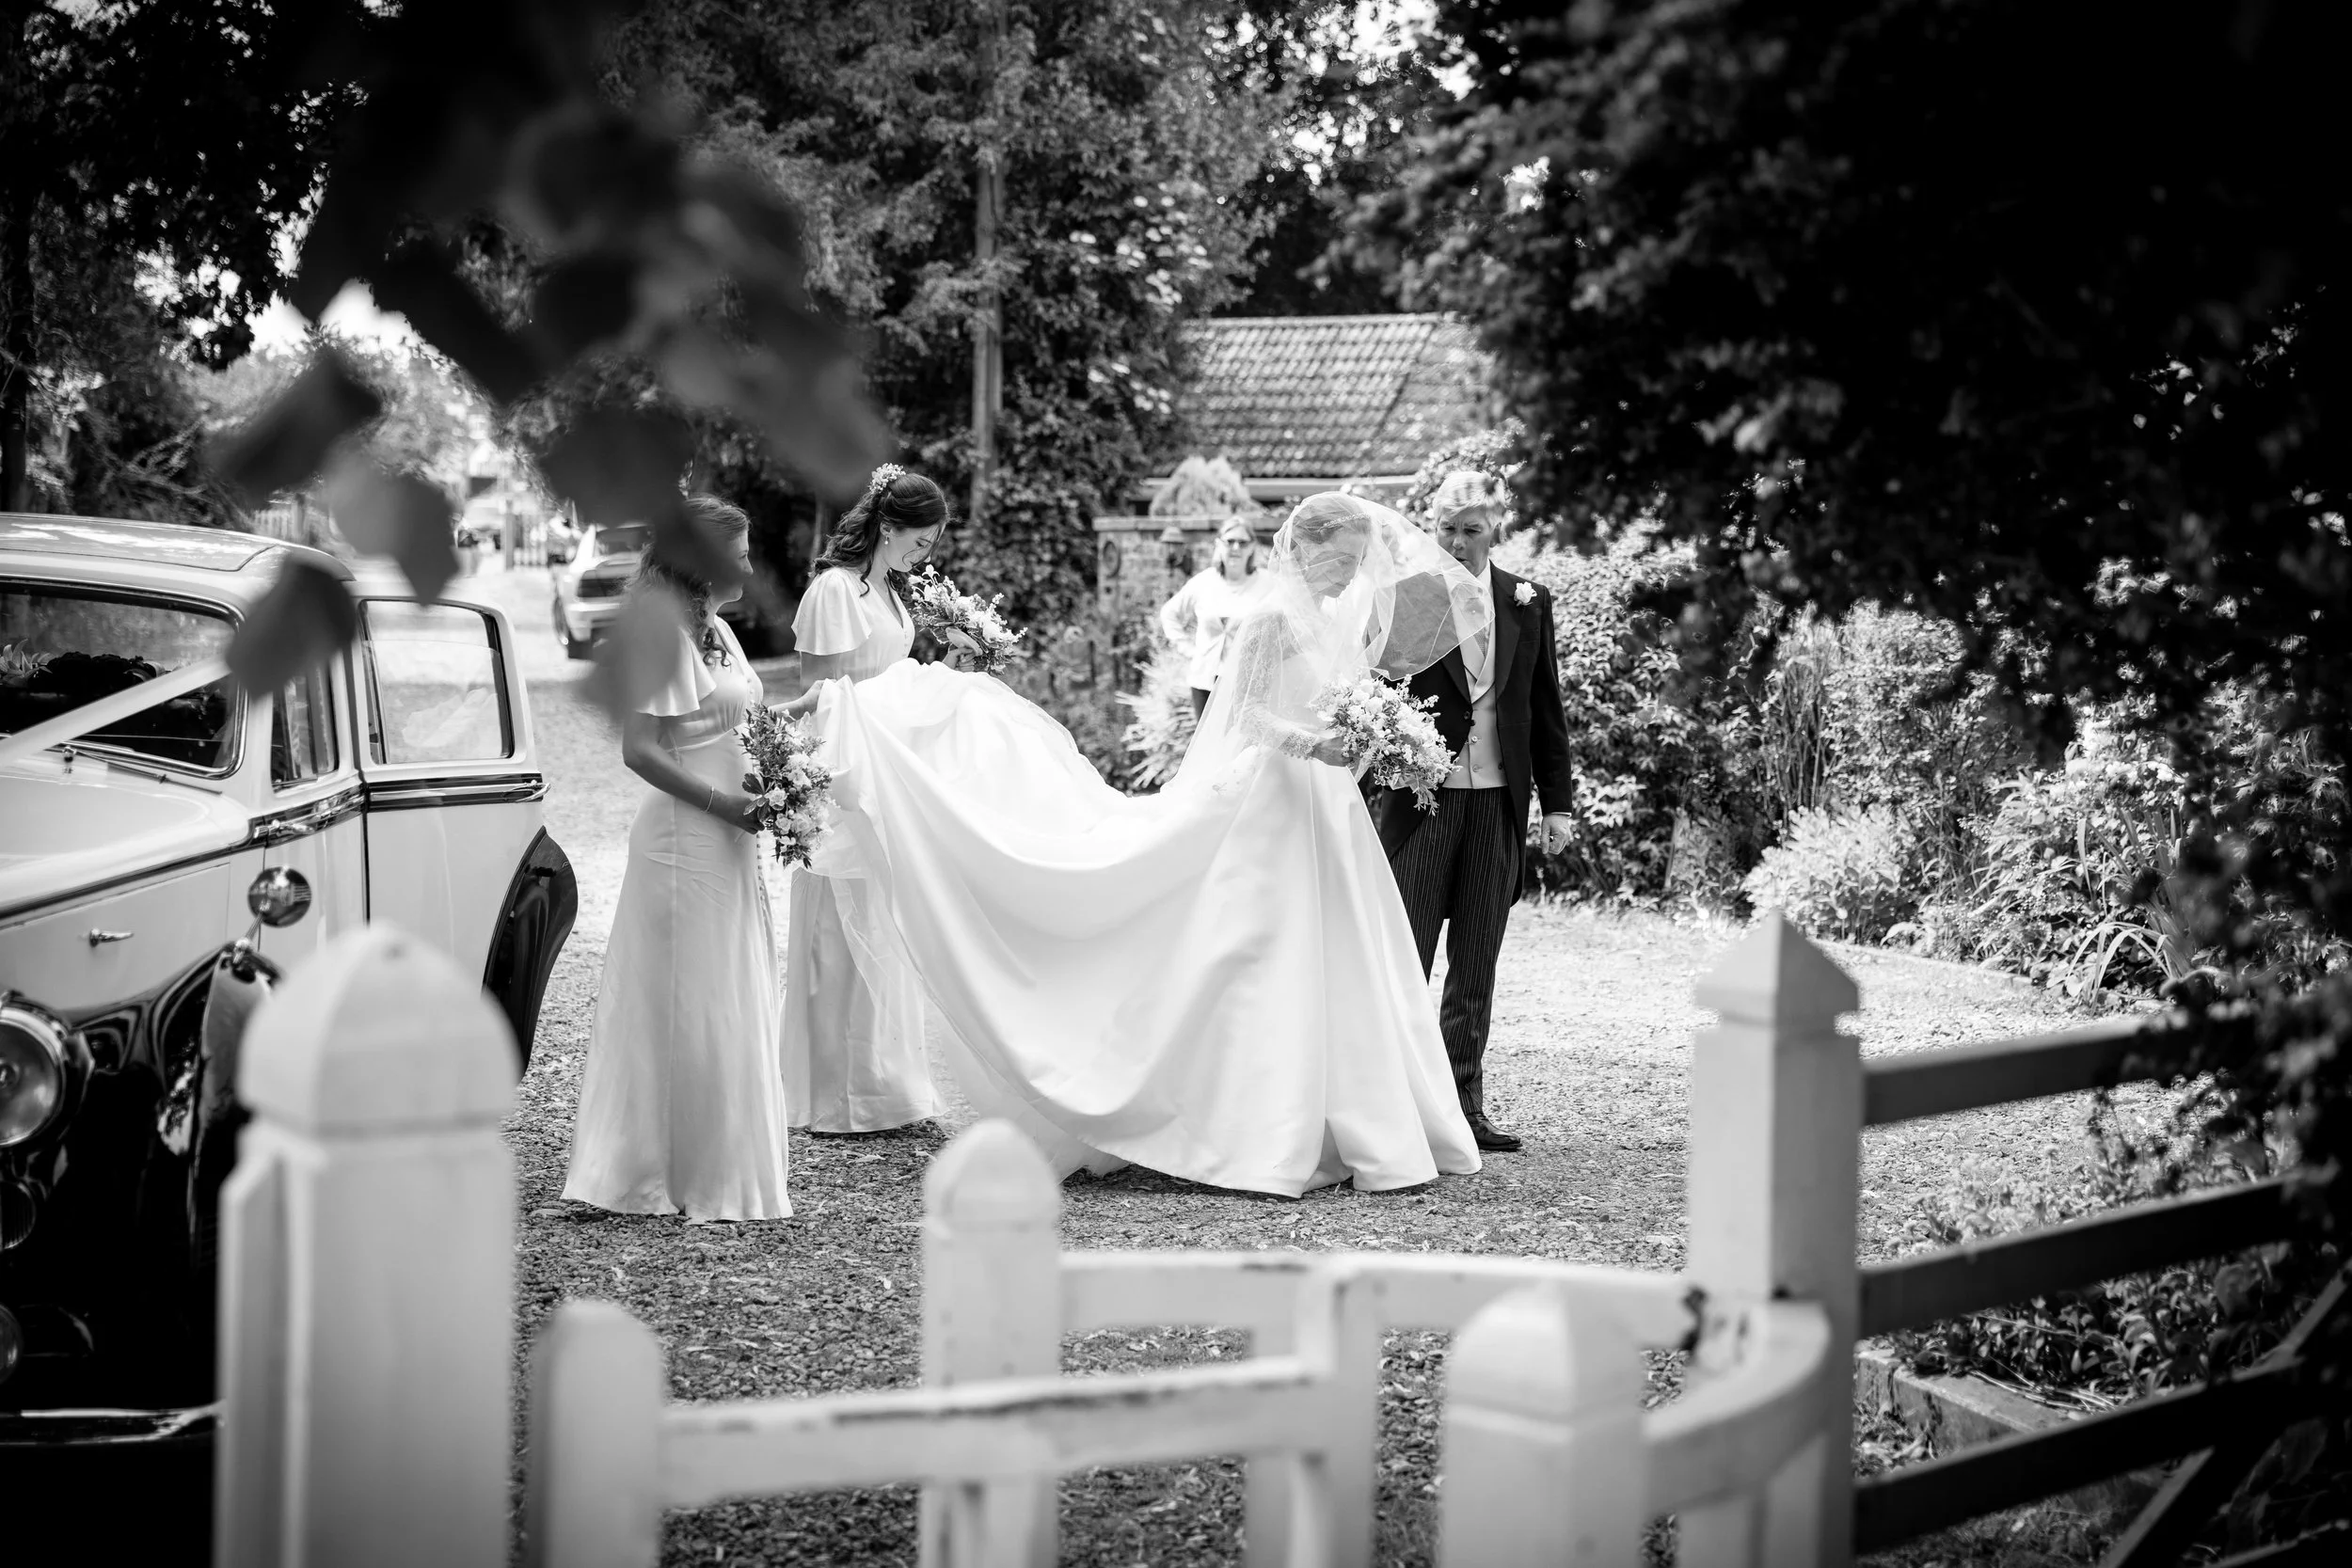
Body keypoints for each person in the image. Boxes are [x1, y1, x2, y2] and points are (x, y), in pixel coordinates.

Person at [782, 483, 1485, 1196]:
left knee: (1339, 948)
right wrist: (1317, 746)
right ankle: (1254, 1120)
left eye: (1358, 562)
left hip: (1325, 808)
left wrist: (1369, 740)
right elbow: (1247, 717)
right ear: (1305, 550)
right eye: (1341, 559)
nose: (1349, 574)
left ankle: (1349, 1110)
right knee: (1250, 948)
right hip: (1272, 796)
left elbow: (1327, 704)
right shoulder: (1268, 619)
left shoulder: (1333, 622)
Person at [564, 497, 791, 1221]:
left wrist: (805, 729)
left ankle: (721, 1162)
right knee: (685, 999)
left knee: (723, 991)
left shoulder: (718, 629)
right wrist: (725, 805)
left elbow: (739, 721)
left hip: (729, 837)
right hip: (682, 840)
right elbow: (639, 750)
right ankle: (655, 1170)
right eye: (739, 553)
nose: (749, 565)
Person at [1372, 470, 1577, 1154]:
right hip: (1420, 806)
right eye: (1448, 528)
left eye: (1471, 529)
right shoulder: (1406, 598)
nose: (1457, 542)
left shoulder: (1527, 600)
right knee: (1407, 957)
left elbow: (1544, 709)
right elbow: (1373, 697)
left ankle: (1463, 1106)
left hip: (1497, 804)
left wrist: (1557, 805)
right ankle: (1394, 1105)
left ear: (1497, 531)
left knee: (1477, 959)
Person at [777, 467, 958, 1133]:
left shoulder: (888, 589)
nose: (925, 556)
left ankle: (883, 1081)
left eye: (931, 546)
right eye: (919, 542)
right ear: (887, 527)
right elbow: (819, 694)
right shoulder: (834, 590)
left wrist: (945, 677)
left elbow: (892, 681)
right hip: (843, 775)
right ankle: (833, 1090)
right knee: (838, 926)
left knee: (882, 922)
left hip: (886, 772)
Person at [1156, 516, 1260, 720]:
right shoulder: (1204, 582)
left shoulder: (1267, 584)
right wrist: (1187, 649)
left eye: (1243, 542)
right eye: (1230, 541)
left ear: (1252, 547)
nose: (1236, 548)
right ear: (1218, 544)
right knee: (1206, 739)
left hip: (1247, 684)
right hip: (1204, 682)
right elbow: (1169, 613)